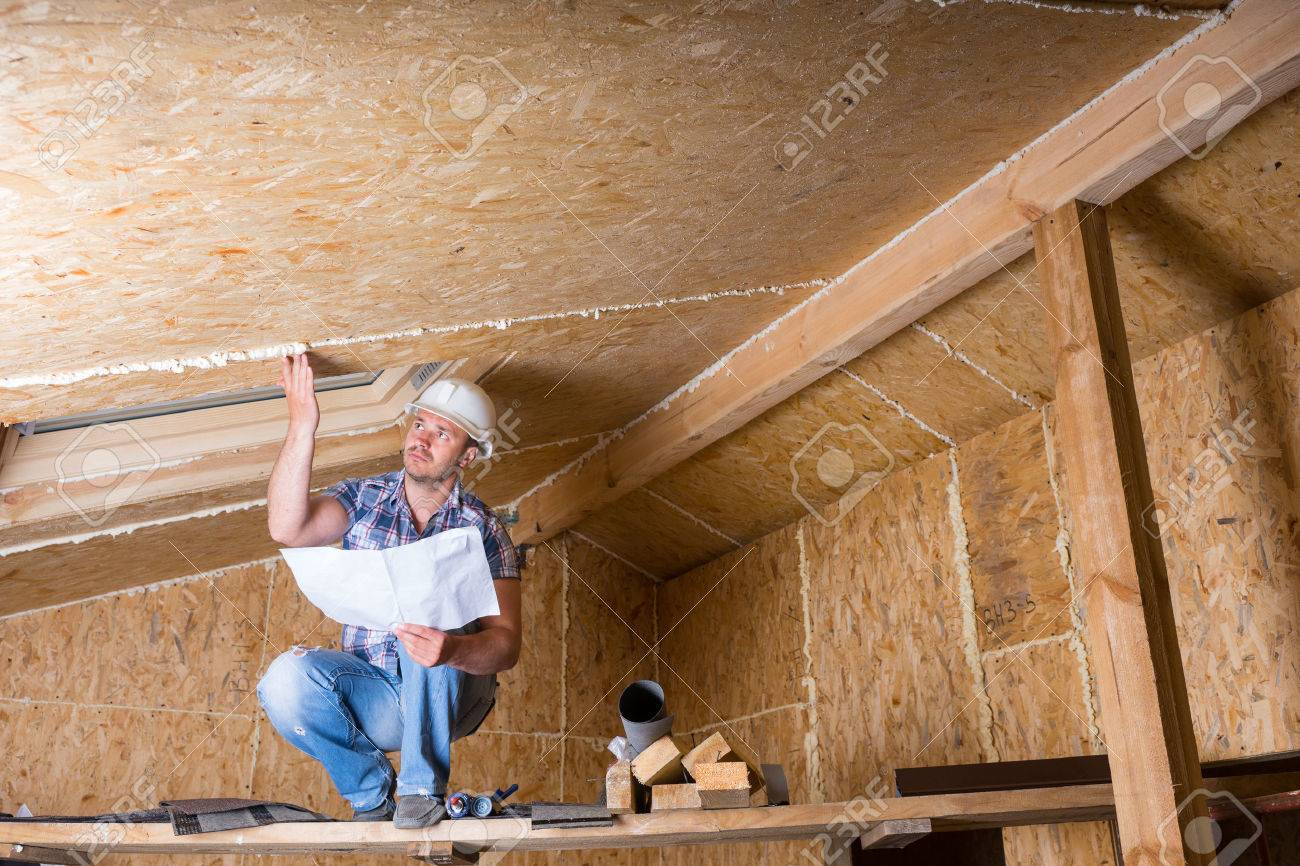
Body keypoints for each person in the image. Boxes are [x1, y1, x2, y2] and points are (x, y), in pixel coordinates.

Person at [256, 354, 522, 829]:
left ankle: (422, 792)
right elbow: (286, 527)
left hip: (453, 695)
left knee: (434, 604)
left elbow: (506, 644)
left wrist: (453, 649)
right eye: (420, 424)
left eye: (442, 434)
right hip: (377, 695)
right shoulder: (364, 499)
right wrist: (303, 425)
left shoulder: (483, 530)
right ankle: (372, 795)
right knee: (284, 679)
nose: (421, 439)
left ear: (467, 456)